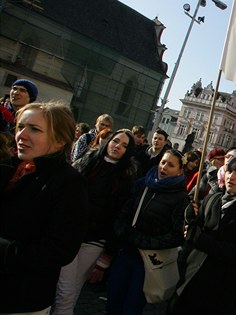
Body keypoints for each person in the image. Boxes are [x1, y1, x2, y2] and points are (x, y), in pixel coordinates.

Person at [0, 102, 88, 313]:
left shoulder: (69, 183)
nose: (21, 135)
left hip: (20, 299)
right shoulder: (8, 167)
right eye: (20, 126)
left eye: (35, 129)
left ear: (60, 141)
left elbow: (59, 250)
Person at [170, 155, 236, 315]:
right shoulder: (211, 199)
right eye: (229, 171)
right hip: (190, 280)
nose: (231, 177)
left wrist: (200, 239)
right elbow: (191, 237)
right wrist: (189, 220)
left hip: (219, 291)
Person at [54, 129, 137, 315]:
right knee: (64, 289)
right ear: (107, 141)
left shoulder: (125, 179)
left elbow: (119, 219)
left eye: (124, 146)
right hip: (68, 233)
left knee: (71, 289)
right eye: (116, 141)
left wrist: (105, 258)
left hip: (94, 240)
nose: (117, 146)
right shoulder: (86, 162)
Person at [106, 149, 188, 314]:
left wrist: (144, 241)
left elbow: (176, 236)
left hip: (148, 263)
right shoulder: (143, 185)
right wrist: (122, 231)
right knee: (113, 303)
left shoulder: (181, 198)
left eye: (170, 165)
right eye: (163, 162)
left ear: (180, 171)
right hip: (125, 254)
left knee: (131, 307)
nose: (164, 167)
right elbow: (125, 212)